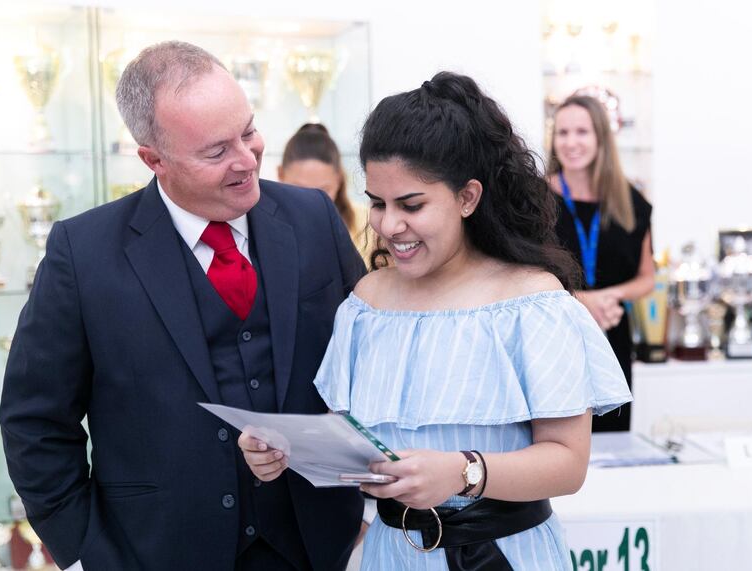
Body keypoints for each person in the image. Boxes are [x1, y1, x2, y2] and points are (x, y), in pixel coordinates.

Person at [240, 72, 632, 570]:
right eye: (377, 204)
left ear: (468, 197)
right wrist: (288, 452)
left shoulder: (533, 302)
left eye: (412, 205)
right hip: (392, 555)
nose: (388, 225)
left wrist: (464, 473)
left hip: (502, 555)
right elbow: (354, 438)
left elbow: (568, 463)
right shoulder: (366, 302)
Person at [0, 40, 365, 571]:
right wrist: (82, 555)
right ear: (154, 160)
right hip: (154, 553)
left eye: (248, 131)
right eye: (216, 151)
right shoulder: (83, 253)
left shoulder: (314, 219)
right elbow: (34, 421)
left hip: (317, 547)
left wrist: (369, 507)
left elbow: (371, 363)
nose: (247, 160)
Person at [547, 94, 655, 432]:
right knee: (557, 441)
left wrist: (606, 298)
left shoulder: (630, 201)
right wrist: (583, 301)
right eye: (562, 133)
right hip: (553, 336)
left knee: (612, 442)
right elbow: (519, 274)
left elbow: (646, 277)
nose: (571, 142)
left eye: (582, 132)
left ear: (601, 139)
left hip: (611, 333)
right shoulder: (533, 199)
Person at [278, 123, 371, 257]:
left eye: (322, 192)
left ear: (339, 179)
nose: (310, 203)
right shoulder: (262, 225)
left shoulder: (367, 223)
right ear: (280, 174)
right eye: (299, 190)